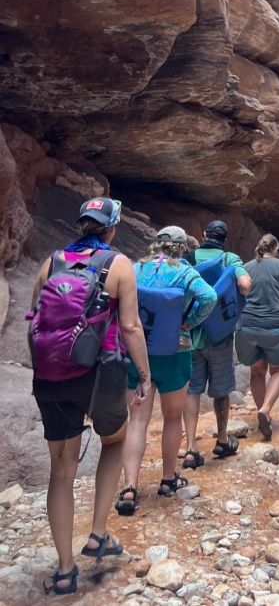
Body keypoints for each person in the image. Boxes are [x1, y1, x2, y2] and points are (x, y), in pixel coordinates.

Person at [30, 197, 151, 596]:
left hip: (53, 375)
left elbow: (36, 317)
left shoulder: (51, 262)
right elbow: (131, 327)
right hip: (101, 374)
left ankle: (65, 570)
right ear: (112, 228)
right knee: (113, 439)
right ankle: (98, 532)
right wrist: (145, 374)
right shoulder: (118, 265)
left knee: (61, 469)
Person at [116, 226, 217, 516]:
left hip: (139, 352)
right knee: (173, 418)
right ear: (181, 247)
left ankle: (130, 487)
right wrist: (190, 322)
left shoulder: (135, 269)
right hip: (176, 351)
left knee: (137, 420)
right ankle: (168, 478)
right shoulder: (184, 272)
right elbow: (208, 297)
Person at [182, 220, 251, 467]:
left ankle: (191, 447)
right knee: (221, 390)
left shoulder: (189, 258)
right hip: (220, 337)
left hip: (190, 336)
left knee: (192, 390)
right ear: (225, 239)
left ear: (204, 235)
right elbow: (245, 286)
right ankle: (222, 440)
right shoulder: (229, 259)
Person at [235, 233, 279, 440]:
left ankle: (265, 412)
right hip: (276, 326)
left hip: (248, 326)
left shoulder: (245, 266)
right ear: (276, 248)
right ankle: (266, 409)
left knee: (257, 371)